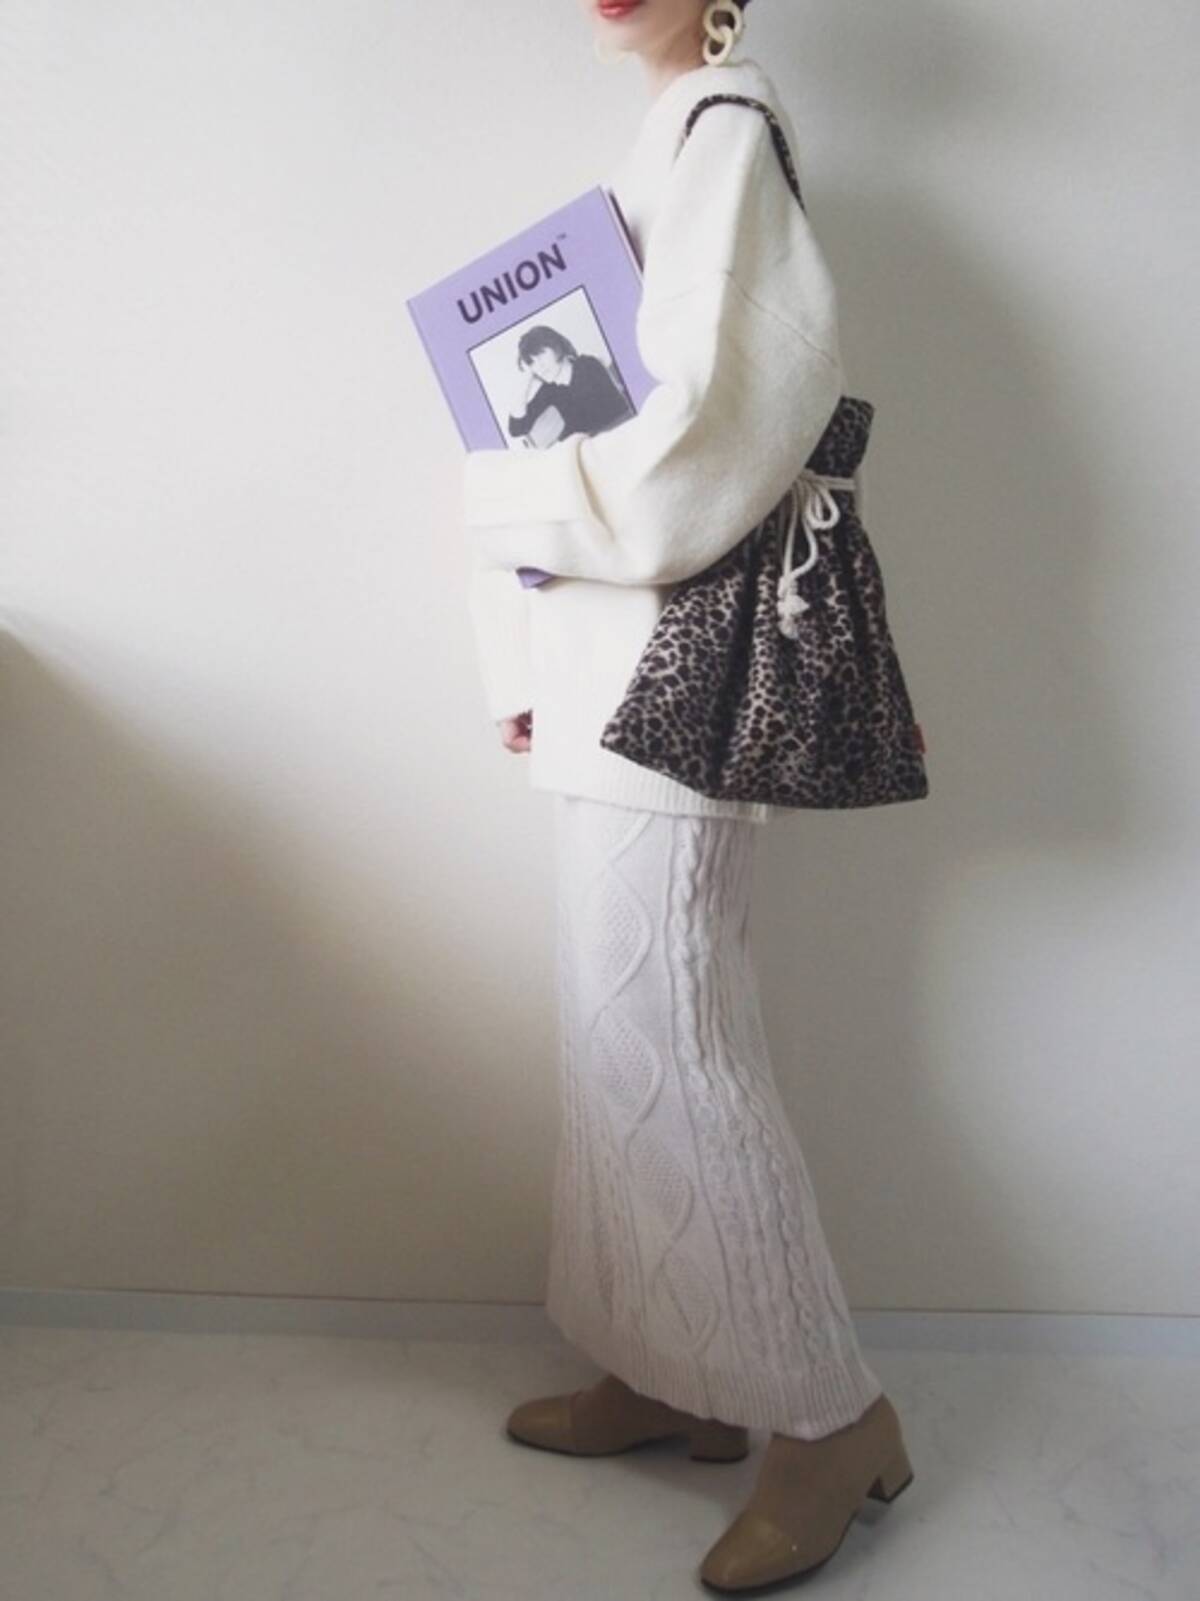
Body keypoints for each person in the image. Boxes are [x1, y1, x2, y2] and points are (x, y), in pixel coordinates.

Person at [461, 2, 915, 1590]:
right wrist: (526, 640)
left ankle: (831, 1416)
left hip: (677, 670)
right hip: (614, 658)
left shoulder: (725, 135)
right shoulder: (663, 144)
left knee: (674, 1034)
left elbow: (719, 427)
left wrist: (503, 492)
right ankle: (673, 1368)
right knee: (616, 1030)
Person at [506, 326, 634, 445]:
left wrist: (566, 440)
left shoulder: (587, 365)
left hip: (618, 436)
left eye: (541, 354)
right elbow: (516, 428)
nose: (539, 366)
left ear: (556, 346)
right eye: (532, 362)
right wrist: (527, 377)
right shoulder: (550, 389)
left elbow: (599, 419)